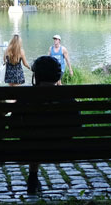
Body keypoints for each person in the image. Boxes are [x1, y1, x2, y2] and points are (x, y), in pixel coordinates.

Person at [23, 55, 76, 194]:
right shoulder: (67, 97)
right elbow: (77, 125)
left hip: (31, 145)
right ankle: (33, 178)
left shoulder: (27, 97)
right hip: (62, 145)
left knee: (33, 138)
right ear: (57, 75)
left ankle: (33, 177)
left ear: (37, 75)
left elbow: (13, 126)